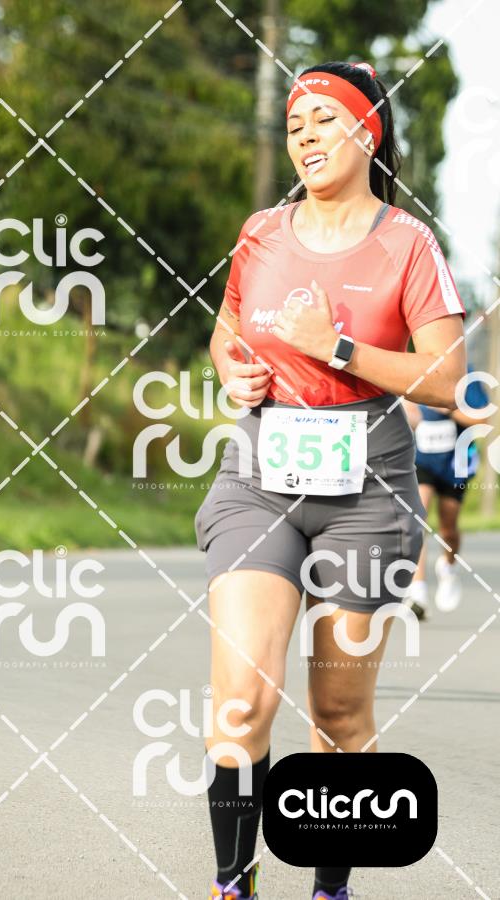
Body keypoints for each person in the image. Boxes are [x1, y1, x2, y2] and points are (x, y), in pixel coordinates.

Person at [193, 60, 466, 900]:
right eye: (293, 124)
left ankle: (330, 888)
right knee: (241, 702)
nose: (304, 136)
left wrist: (337, 348)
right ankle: (233, 884)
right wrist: (230, 367)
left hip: (368, 493)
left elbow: (449, 379)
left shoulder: (408, 243)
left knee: (338, 715)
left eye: (324, 119)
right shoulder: (261, 233)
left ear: (367, 132)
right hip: (259, 476)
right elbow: (227, 329)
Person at [402, 366, 490, 620]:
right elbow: (405, 410)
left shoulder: (466, 374)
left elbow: (482, 420)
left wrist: (448, 408)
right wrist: (409, 413)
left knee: (448, 529)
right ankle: (417, 591)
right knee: (417, 519)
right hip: (422, 461)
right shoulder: (415, 367)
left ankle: (448, 567)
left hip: (454, 464)